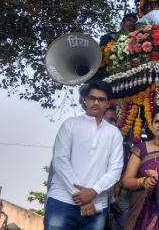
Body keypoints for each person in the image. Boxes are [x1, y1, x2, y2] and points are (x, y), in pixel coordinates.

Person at [44, 80, 124, 230]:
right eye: (92, 98)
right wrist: (81, 197)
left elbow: (116, 169)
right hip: (62, 199)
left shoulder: (114, 134)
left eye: (101, 99)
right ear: (85, 100)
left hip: (97, 205)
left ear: (108, 103)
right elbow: (60, 162)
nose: (96, 102)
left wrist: (93, 191)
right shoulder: (70, 125)